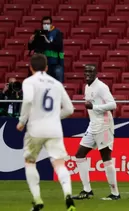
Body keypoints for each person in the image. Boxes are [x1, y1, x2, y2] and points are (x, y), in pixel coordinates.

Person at [16, 54, 75, 211]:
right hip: (54, 129)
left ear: (31, 68)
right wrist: (55, 117)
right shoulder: (56, 83)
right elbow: (70, 109)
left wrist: (22, 121)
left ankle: (37, 200)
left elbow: (28, 100)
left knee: (30, 162)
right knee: (59, 164)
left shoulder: (29, 81)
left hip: (35, 128)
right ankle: (68, 196)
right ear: (47, 67)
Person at [72, 64, 120, 200]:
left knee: (106, 158)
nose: (88, 74)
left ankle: (115, 193)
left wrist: (94, 107)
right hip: (93, 125)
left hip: (104, 125)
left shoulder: (102, 87)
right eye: (86, 71)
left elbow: (113, 105)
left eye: (91, 71)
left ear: (96, 73)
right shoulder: (87, 87)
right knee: (79, 155)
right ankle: (87, 191)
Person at [28, 16, 64, 83]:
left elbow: (59, 46)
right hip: (43, 64)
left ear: (51, 24)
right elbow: (32, 47)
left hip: (55, 63)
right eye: (44, 23)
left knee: (58, 82)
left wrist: (47, 41)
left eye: (48, 23)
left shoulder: (57, 32)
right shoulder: (39, 33)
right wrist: (30, 41)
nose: (46, 25)